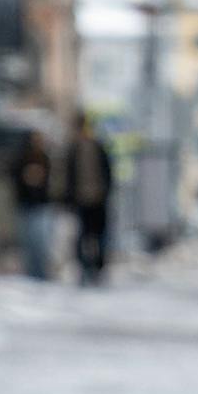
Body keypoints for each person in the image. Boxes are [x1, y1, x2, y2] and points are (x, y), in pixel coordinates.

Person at [67, 114, 114, 287]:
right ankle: (85, 268)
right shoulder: (74, 150)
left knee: (100, 235)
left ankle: (98, 268)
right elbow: (69, 176)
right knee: (82, 236)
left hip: (99, 199)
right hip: (81, 200)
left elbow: (108, 172)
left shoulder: (99, 147)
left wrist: (106, 192)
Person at [12, 131, 55, 282]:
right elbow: (15, 179)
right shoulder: (22, 158)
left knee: (41, 242)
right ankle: (31, 273)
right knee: (29, 242)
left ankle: (41, 272)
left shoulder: (45, 159)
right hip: (26, 205)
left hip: (41, 205)